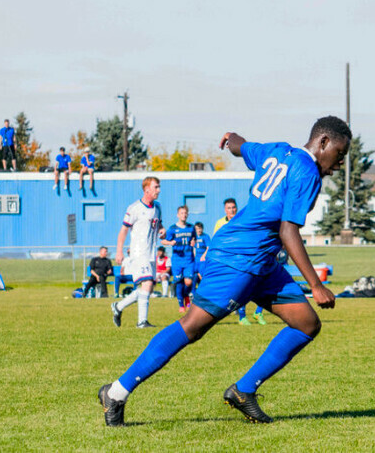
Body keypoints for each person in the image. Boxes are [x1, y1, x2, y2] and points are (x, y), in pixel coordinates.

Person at [98, 116, 350, 426]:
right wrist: (316, 284)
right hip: (238, 259)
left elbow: (242, 147)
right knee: (192, 327)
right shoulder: (307, 172)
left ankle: (243, 391)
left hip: (261, 262)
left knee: (306, 324)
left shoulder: (277, 151)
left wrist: (231, 138)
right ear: (323, 142)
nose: (339, 164)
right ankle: (116, 392)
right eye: (339, 154)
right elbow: (288, 231)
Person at [110, 177, 164, 329]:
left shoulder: (158, 207)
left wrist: (162, 230)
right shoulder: (134, 208)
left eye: (159, 187)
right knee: (146, 284)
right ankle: (142, 322)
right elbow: (123, 231)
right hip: (139, 252)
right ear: (146, 189)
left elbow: (159, 224)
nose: (158, 190)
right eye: (156, 187)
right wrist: (119, 251)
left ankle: (118, 307)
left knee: (148, 288)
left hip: (151, 252)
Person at [164, 205, 197, 313]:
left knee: (188, 282)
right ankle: (181, 305)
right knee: (178, 282)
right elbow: (163, 241)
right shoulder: (173, 228)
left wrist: (193, 242)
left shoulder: (191, 227)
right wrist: (170, 242)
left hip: (188, 259)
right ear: (178, 215)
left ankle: (186, 296)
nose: (184, 215)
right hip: (177, 259)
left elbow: (194, 239)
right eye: (182, 213)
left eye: (185, 213)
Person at [192, 222, 209, 290]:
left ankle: (205, 289)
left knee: (202, 274)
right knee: (193, 275)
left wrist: (203, 256)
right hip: (195, 259)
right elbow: (193, 247)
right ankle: (193, 292)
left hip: (202, 259)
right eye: (197, 229)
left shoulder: (205, 236)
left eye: (200, 229)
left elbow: (208, 248)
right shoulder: (193, 237)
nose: (199, 230)